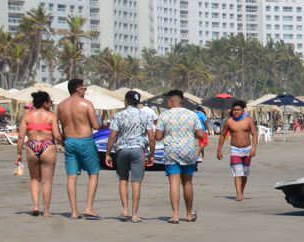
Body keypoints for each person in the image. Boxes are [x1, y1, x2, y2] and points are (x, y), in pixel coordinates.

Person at [151, 89, 207, 224]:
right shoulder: (192, 115)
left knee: (174, 182)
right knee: (187, 182)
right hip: (188, 151)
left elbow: (158, 137)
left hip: (171, 151)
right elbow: (200, 135)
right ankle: (188, 213)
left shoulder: (164, 116)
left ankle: (175, 215)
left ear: (171, 101)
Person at [105, 90, 156, 223]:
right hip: (138, 150)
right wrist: (152, 153)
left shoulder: (119, 115)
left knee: (123, 179)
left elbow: (112, 136)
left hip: (122, 150)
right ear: (138, 102)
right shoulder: (145, 116)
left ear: (126, 101)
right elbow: (151, 137)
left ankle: (125, 210)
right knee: (136, 181)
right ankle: (135, 214)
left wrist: (108, 153)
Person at [56, 77, 102, 220]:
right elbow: (96, 125)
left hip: (69, 141)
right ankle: (88, 207)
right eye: (84, 88)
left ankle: (74, 211)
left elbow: (60, 125)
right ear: (77, 89)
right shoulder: (86, 104)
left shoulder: (61, 106)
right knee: (93, 173)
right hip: (85, 140)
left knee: (71, 176)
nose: (85, 91)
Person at [16, 91, 62, 217]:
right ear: (45, 103)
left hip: (32, 146)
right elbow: (57, 135)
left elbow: (21, 137)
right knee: (47, 181)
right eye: (49, 102)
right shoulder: (51, 116)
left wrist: (19, 153)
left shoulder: (27, 117)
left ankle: (36, 206)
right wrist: (63, 143)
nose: (51, 104)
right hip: (47, 146)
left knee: (34, 178)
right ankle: (46, 211)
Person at [216, 98, 259, 201]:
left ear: (243, 111)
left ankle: (242, 191)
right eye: (234, 110)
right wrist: (219, 150)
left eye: (238, 110)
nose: (236, 111)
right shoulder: (229, 122)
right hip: (235, 150)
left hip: (247, 149)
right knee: (237, 172)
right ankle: (238, 193)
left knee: (244, 174)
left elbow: (254, 134)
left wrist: (254, 148)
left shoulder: (248, 120)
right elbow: (222, 135)